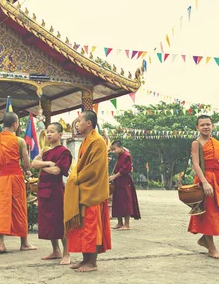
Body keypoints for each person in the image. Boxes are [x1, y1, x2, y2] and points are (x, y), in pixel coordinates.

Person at [64, 110, 112, 272]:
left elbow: (93, 169)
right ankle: (85, 260)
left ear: (89, 123)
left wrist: (75, 179)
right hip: (84, 189)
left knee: (91, 227)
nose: (77, 124)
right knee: (83, 227)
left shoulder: (97, 142)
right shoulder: (87, 140)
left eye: (79, 121)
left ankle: (92, 262)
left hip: (92, 191)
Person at [0, 112, 37, 254]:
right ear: (15, 124)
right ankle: (24, 243)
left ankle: (1, 243)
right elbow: (27, 164)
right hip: (16, 177)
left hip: (3, 177)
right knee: (19, 208)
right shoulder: (19, 141)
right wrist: (26, 170)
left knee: (2, 208)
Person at [188, 115, 219, 259]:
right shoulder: (197, 143)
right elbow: (195, 164)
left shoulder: (217, 143)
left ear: (212, 126)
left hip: (216, 180)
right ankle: (212, 248)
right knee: (208, 214)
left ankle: (204, 240)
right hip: (204, 179)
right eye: (202, 125)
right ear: (197, 128)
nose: (205, 127)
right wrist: (205, 182)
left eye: (208, 124)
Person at [31, 122, 72, 265]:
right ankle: (56, 250)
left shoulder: (64, 152)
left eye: (52, 132)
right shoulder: (46, 151)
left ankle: (66, 252)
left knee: (59, 221)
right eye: (47, 132)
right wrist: (48, 163)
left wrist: (42, 165)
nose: (49, 134)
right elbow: (33, 164)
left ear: (60, 135)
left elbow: (57, 171)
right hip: (43, 190)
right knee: (48, 222)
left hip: (56, 191)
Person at [109, 140, 141, 230]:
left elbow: (125, 169)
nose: (114, 152)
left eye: (114, 149)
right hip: (118, 181)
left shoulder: (126, 155)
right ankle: (119, 223)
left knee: (126, 201)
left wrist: (114, 176)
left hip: (124, 180)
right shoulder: (120, 155)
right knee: (117, 201)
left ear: (120, 147)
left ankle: (126, 225)